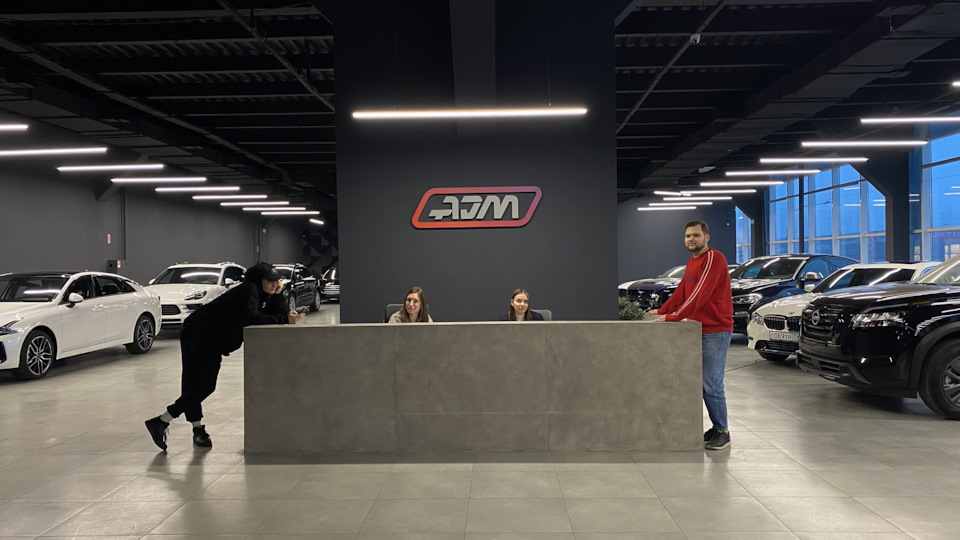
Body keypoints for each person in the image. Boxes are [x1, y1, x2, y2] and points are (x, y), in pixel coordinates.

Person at [145, 263, 305, 450]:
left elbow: (276, 314)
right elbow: (251, 317)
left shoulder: (262, 294)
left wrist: (278, 296)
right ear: (258, 280)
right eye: (269, 281)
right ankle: (163, 421)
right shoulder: (249, 290)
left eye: (276, 281)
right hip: (199, 334)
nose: (274, 284)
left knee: (195, 386)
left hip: (209, 337)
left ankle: (194, 428)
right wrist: (285, 319)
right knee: (203, 385)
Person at [648, 220, 734, 451]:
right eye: (688, 236)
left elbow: (699, 296)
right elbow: (683, 291)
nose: (691, 239)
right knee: (703, 384)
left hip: (716, 330)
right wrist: (663, 309)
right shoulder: (693, 261)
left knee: (712, 384)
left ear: (706, 237)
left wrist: (673, 317)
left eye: (696, 235)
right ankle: (716, 427)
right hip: (698, 329)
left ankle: (723, 432)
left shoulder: (713, 259)